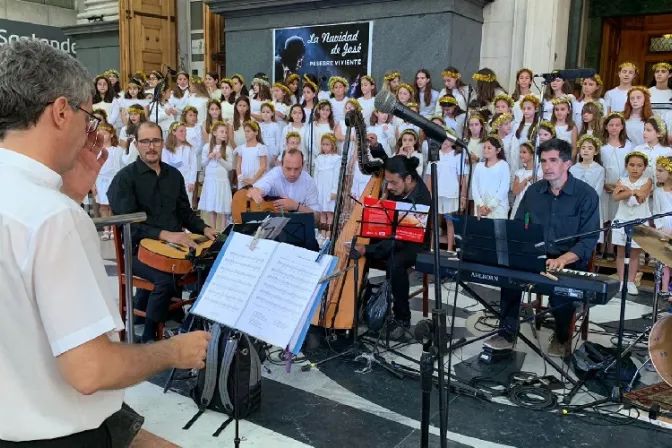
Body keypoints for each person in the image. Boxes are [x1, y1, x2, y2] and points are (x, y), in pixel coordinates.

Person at [0, 40, 210, 446]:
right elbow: (91, 371)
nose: (88, 130)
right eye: (86, 115)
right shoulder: (52, 216)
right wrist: (173, 352)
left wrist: (69, 195)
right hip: (60, 430)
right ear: (61, 112)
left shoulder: (41, 204)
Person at [484, 139, 600, 357]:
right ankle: (507, 333)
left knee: (561, 293)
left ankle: (562, 335)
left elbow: (589, 239)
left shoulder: (586, 195)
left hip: (569, 258)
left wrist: (563, 259)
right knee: (509, 278)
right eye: (544, 161)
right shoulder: (533, 192)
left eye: (553, 160)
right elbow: (518, 225)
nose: (547, 166)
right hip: (536, 255)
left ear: (567, 163)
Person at [108, 120, 218, 343]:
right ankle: (149, 337)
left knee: (209, 263)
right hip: (137, 252)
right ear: (136, 144)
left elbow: (186, 213)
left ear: (162, 143)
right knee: (165, 278)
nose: (151, 146)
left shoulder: (173, 176)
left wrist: (205, 228)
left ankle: (195, 323)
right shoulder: (124, 179)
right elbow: (129, 226)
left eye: (155, 141)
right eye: (145, 141)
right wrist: (165, 235)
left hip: (174, 247)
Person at [354, 156, 432, 340]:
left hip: (415, 242)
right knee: (362, 240)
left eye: (392, 183)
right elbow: (389, 161)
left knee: (395, 263)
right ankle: (362, 300)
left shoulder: (421, 199)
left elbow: (400, 240)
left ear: (408, 179)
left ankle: (402, 319)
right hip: (394, 233)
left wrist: (368, 250)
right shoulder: (402, 179)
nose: (388, 187)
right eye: (387, 182)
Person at [246, 148, 320, 216]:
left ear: (302, 165)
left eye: (297, 169)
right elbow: (263, 186)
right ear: (281, 164)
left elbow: (316, 216)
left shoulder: (309, 181)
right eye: (288, 168)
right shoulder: (274, 174)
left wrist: (296, 206)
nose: (292, 173)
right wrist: (256, 191)